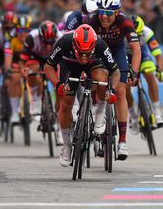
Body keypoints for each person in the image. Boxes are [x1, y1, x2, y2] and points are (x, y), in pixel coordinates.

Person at [44, 24, 120, 167]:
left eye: (87, 53)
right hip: (70, 65)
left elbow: (115, 72)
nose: (84, 57)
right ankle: (66, 146)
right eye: (81, 53)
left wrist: (113, 90)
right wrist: (58, 84)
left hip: (95, 64)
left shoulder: (100, 45)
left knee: (102, 80)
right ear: (73, 45)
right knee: (65, 103)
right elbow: (48, 67)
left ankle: (99, 112)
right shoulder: (64, 42)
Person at [85, 0, 141, 160]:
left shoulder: (124, 21)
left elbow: (136, 50)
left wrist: (134, 71)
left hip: (117, 52)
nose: (104, 16)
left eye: (108, 13)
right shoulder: (92, 20)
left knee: (122, 92)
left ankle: (122, 141)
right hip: (98, 52)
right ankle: (99, 113)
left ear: (116, 13)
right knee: (100, 82)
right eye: (102, 12)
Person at [127, 15, 163, 134]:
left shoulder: (147, 32)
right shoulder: (122, 32)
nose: (137, 39)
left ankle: (157, 112)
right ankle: (133, 116)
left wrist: (159, 71)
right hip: (127, 56)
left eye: (139, 36)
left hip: (143, 55)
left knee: (149, 74)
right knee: (125, 85)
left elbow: (158, 55)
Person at [20, 20, 63, 120]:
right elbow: (23, 60)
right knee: (32, 69)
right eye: (45, 42)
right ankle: (35, 99)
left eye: (51, 42)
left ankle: (58, 111)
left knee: (59, 81)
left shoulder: (61, 38)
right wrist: (24, 70)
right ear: (39, 37)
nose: (48, 46)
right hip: (36, 57)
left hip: (53, 58)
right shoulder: (31, 37)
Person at [6, 15, 32, 124]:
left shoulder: (32, 39)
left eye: (26, 30)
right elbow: (7, 59)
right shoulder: (11, 40)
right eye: (20, 30)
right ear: (16, 30)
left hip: (29, 62)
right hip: (15, 62)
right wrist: (8, 70)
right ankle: (15, 112)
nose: (23, 33)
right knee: (14, 77)